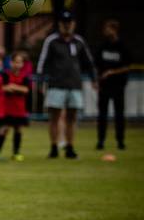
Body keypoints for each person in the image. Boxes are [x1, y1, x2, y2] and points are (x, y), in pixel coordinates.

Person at [36, 10, 96, 159]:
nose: (67, 26)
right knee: (54, 117)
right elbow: (42, 62)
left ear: (73, 24)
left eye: (69, 23)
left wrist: (94, 78)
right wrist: (40, 80)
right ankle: (54, 147)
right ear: (60, 24)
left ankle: (70, 147)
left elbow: (89, 62)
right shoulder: (52, 41)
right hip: (56, 84)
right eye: (64, 23)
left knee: (72, 117)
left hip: (74, 85)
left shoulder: (79, 41)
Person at [95, 19, 130, 150]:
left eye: (107, 28)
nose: (105, 31)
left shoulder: (122, 47)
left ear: (114, 30)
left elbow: (127, 66)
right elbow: (97, 65)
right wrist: (97, 80)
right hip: (104, 86)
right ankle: (100, 141)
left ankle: (120, 141)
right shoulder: (102, 46)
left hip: (118, 86)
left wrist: (111, 72)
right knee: (102, 115)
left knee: (119, 115)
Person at [3, 51, 32, 161]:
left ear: (22, 64)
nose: (17, 64)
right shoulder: (5, 74)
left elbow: (26, 89)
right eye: (15, 62)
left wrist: (13, 86)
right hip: (7, 108)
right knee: (4, 129)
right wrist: (16, 88)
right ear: (11, 63)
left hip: (19, 108)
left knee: (18, 130)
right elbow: (3, 87)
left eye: (19, 62)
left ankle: (16, 153)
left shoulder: (25, 77)